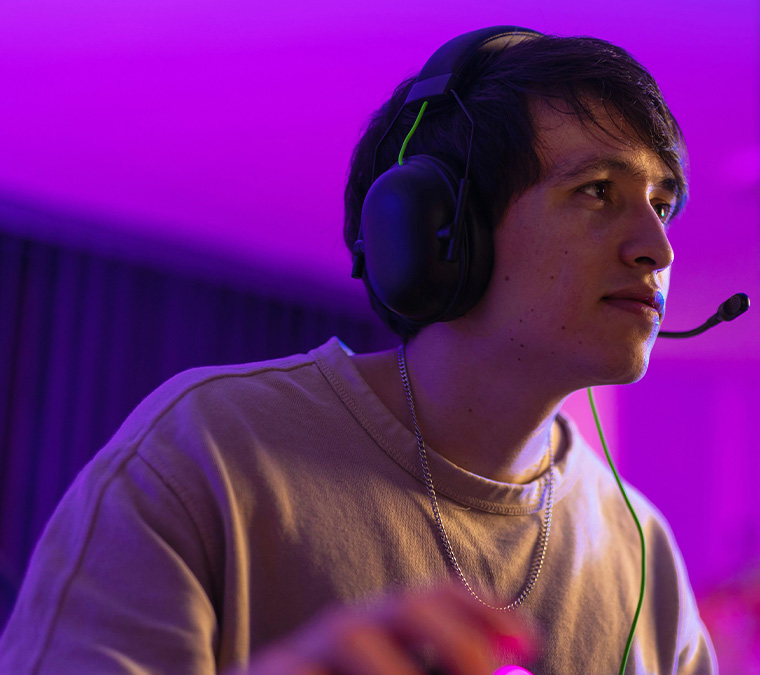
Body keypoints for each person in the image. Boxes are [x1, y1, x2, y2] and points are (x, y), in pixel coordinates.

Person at [0, 28, 717, 674]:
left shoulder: (643, 552)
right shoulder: (207, 445)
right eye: (597, 191)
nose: (657, 248)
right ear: (442, 229)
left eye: (661, 202)